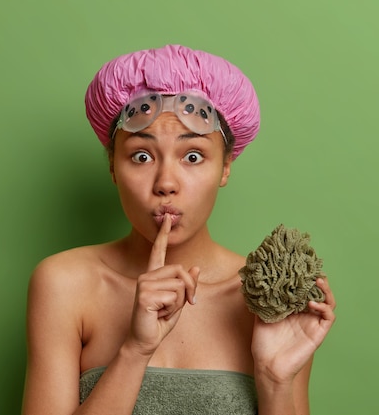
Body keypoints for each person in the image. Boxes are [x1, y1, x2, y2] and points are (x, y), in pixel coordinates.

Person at [21, 44, 336, 415]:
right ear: (112, 167)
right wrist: (135, 349)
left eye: (193, 156)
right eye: (141, 156)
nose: (166, 183)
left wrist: (275, 380)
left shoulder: (268, 298)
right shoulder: (64, 285)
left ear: (225, 168)